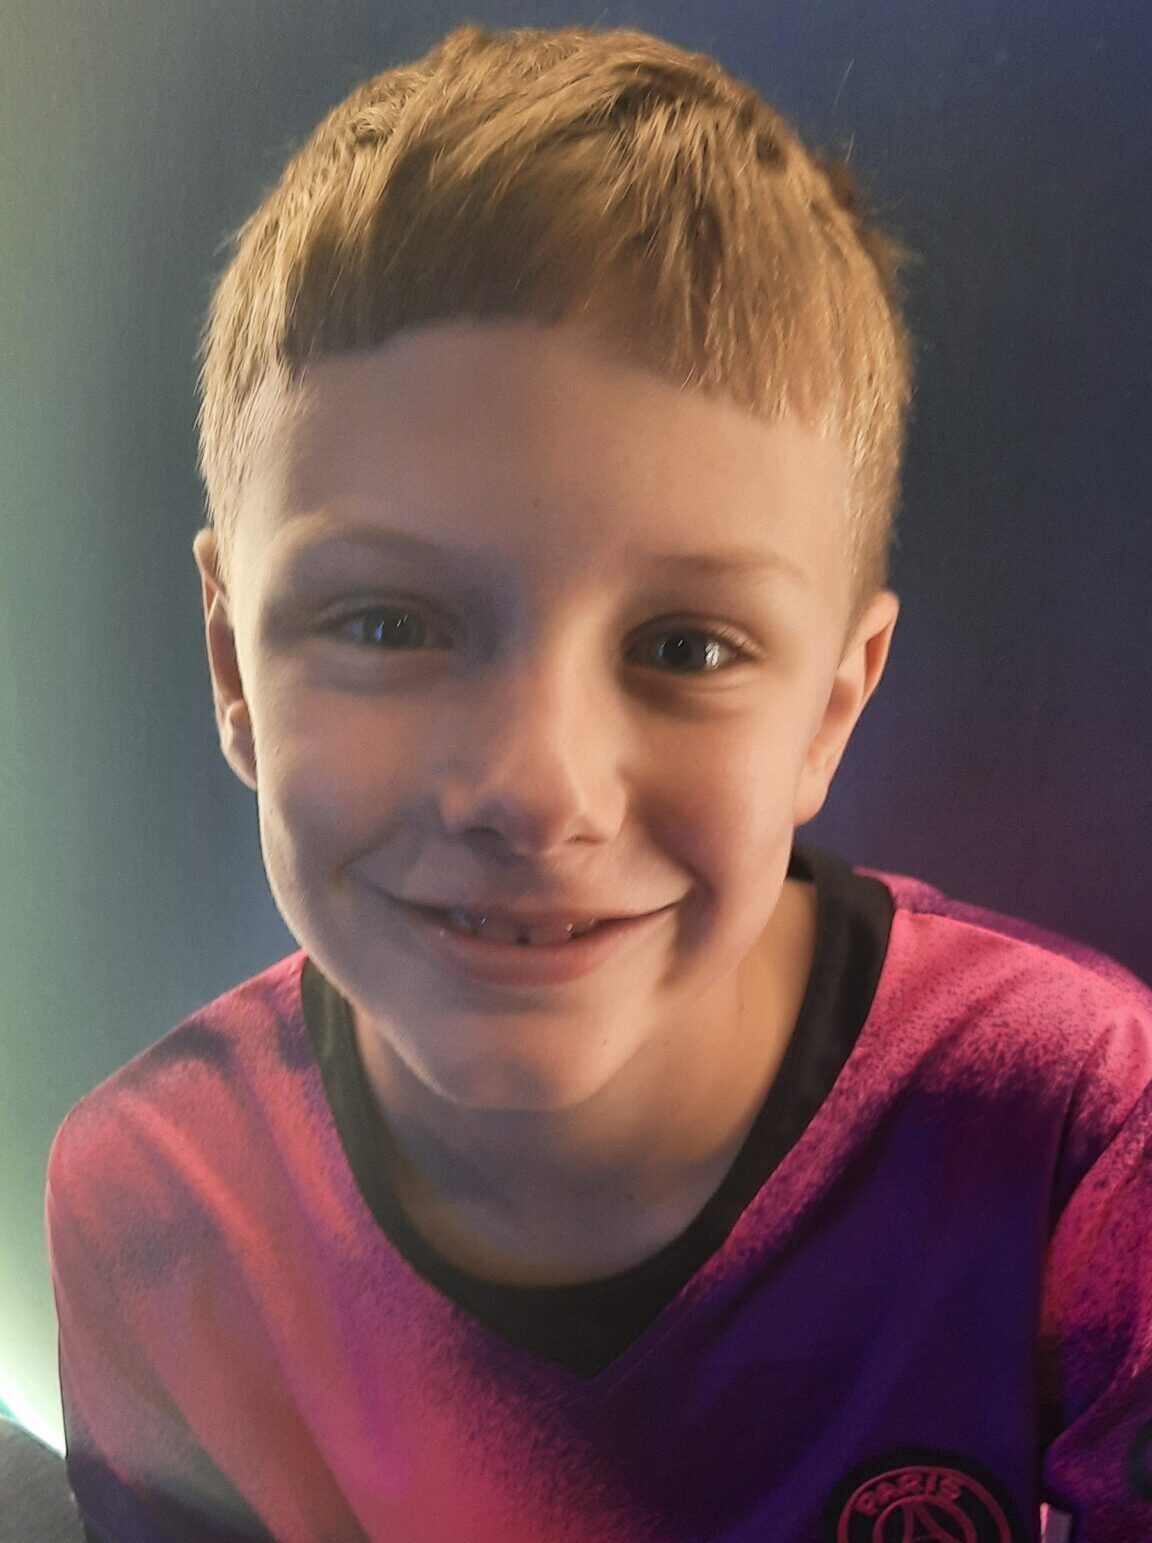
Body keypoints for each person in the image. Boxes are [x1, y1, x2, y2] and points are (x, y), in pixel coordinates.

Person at [44, 20, 1152, 1542]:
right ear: (236, 669)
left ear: (829, 713)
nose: (534, 789)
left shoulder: (1084, 1132)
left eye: (687, 647)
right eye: (388, 624)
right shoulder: (155, 1209)